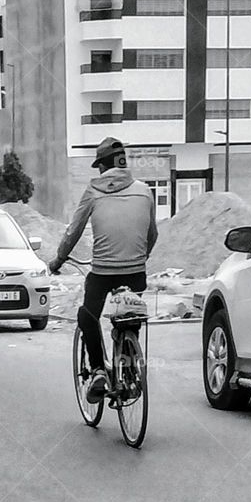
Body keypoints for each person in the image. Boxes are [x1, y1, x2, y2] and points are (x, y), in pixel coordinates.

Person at [48, 137, 158, 403]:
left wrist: (59, 260)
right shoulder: (145, 190)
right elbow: (152, 234)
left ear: (102, 166)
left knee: (87, 316)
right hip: (136, 272)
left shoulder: (93, 191)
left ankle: (98, 370)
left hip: (102, 273)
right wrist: (140, 259)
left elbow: (74, 231)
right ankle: (129, 368)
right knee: (129, 317)